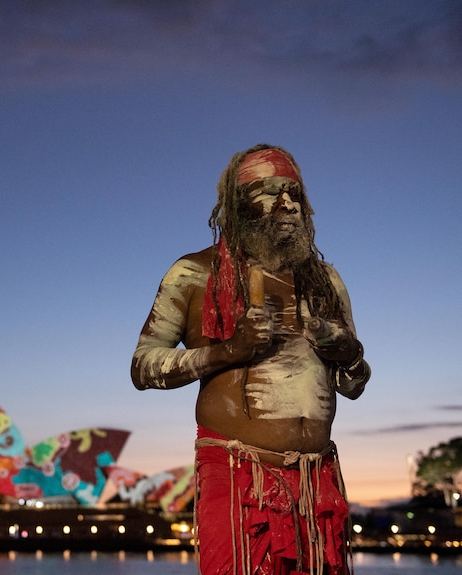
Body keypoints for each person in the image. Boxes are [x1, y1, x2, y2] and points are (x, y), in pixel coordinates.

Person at [130, 144, 370, 575]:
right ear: (239, 205)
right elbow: (143, 366)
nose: (287, 204)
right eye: (271, 191)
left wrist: (348, 353)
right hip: (238, 472)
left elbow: (354, 385)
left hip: (318, 483)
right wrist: (228, 352)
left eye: (295, 193)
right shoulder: (193, 273)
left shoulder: (326, 281)